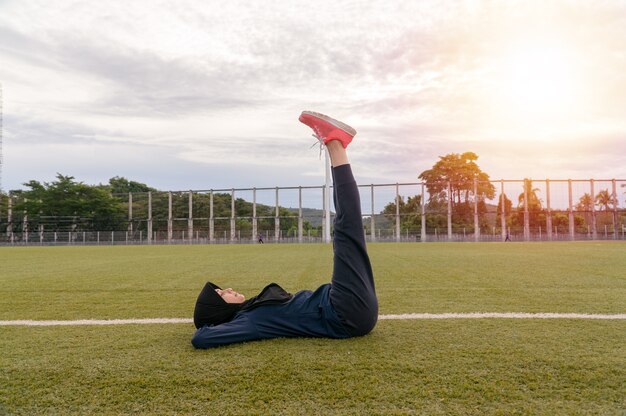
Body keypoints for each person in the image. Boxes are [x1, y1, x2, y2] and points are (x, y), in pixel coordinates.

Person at [191, 111, 378, 349]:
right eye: (221, 294)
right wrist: (212, 323)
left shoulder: (252, 310)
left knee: (347, 230)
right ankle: (334, 142)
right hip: (344, 312)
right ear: (220, 309)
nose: (227, 288)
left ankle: (335, 143)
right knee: (346, 228)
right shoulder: (250, 320)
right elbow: (201, 338)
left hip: (345, 306)